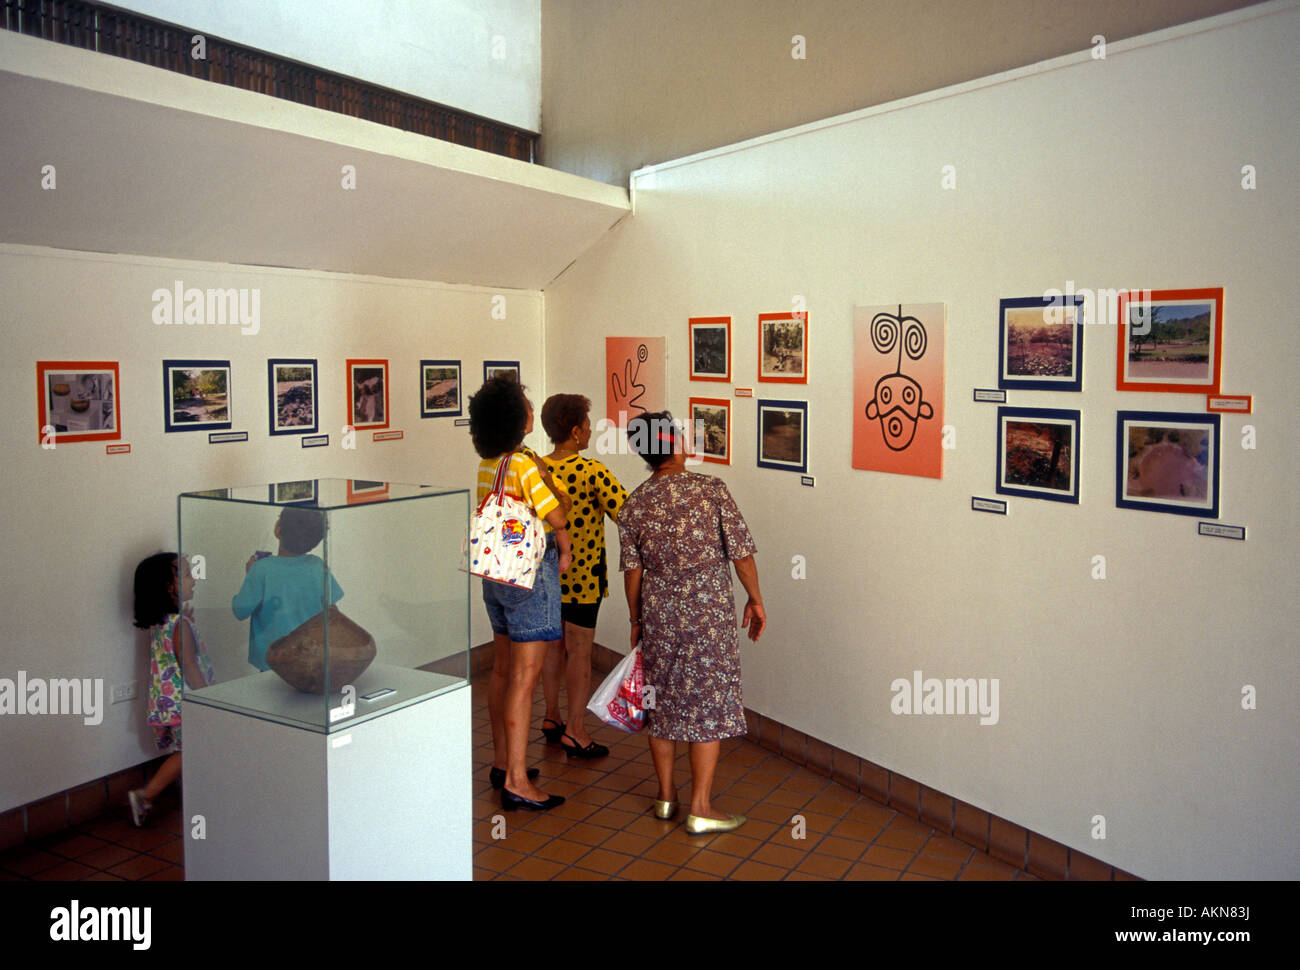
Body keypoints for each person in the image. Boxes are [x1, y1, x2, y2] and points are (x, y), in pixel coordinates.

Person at [618, 411, 766, 834]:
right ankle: (701, 807)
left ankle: (666, 797)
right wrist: (755, 599)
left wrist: (635, 619)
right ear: (676, 443)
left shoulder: (634, 505)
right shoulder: (711, 490)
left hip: (659, 614)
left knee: (658, 700)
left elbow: (634, 573)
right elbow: (741, 554)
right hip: (709, 616)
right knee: (707, 701)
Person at [470, 375, 572, 811]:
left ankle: (501, 762)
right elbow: (558, 514)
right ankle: (516, 779)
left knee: (501, 670)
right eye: (526, 405)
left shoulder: (488, 464)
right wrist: (551, 482)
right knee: (524, 679)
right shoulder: (526, 465)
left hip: (495, 573)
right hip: (529, 575)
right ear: (516, 419)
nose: (532, 410)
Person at [538, 394, 628, 759]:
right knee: (579, 651)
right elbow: (626, 512)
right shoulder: (592, 472)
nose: (591, 430)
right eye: (588, 425)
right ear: (575, 432)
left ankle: (551, 717)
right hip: (582, 578)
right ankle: (575, 730)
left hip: (544, 576)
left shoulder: (536, 469)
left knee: (551, 648)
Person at [128, 553, 214, 828]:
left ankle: (189, 792)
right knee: (190, 750)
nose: (194, 580)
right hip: (186, 701)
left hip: (169, 702)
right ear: (169, 586)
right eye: (187, 574)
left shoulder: (165, 622)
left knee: (187, 748)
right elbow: (188, 666)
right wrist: (207, 699)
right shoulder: (180, 626)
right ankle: (146, 794)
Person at [232, 506, 343, 671]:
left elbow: (240, 611)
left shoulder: (261, 569)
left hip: (273, 661)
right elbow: (332, 612)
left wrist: (250, 575)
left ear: (278, 531)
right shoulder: (318, 566)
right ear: (314, 542)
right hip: (310, 658)